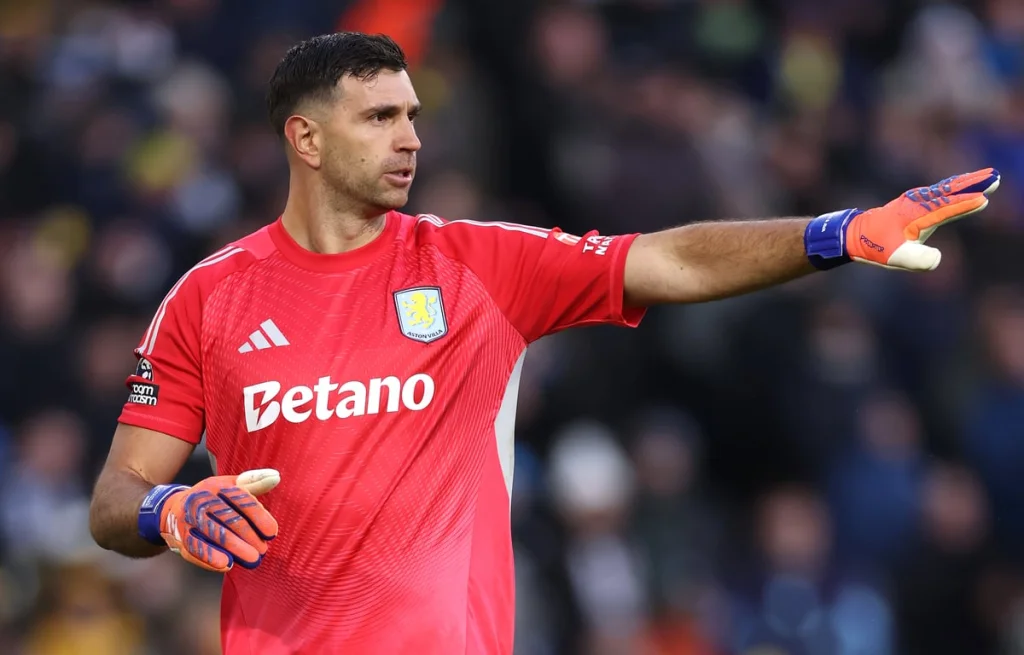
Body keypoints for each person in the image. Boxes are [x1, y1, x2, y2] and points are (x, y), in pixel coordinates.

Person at [87, 32, 1000, 655]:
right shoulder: (208, 298)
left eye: (412, 114)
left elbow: (670, 259)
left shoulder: (479, 264)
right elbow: (113, 497)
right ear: (305, 138)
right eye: (379, 119)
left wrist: (833, 233)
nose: (410, 138)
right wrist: (168, 510)